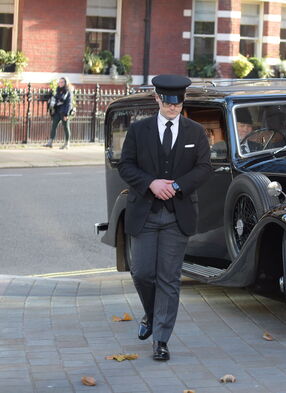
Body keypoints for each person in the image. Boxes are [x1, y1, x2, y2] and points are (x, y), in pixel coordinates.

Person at [118, 74, 212, 361]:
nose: (173, 107)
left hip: (177, 215)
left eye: (178, 102)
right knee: (143, 273)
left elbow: (204, 167)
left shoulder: (196, 132)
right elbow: (126, 165)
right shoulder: (139, 130)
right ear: (157, 99)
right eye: (168, 101)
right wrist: (151, 183)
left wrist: (178, 186)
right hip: (144, 213)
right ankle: (150, 314)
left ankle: (161, 339)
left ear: (184, 100)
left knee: (168, 278)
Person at [44, 77, 73, 149]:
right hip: (57, 112)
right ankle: (50, 142)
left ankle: (67, 143)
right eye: (59, 82)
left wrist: (66, 114)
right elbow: (55, 100)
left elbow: (69, 103)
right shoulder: (58, 91)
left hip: (64, 112)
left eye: (62, 82)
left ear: (66, 83)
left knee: (66, 127)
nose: (60, 83)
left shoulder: (68, 92)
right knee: (53, 126)